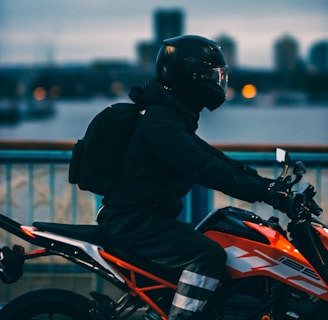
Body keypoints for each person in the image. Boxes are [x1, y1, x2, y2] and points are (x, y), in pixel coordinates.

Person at [97, 35, 292, 320]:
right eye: (210, 76)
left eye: (218, 76)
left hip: (144, 217)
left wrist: (267, 185)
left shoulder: (170, 115)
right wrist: (265, 194)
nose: (216, 83)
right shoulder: (161, 122)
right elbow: (203, 167)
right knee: (209, 256)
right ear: (188, 77)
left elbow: (214, 158)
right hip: (133, 222)